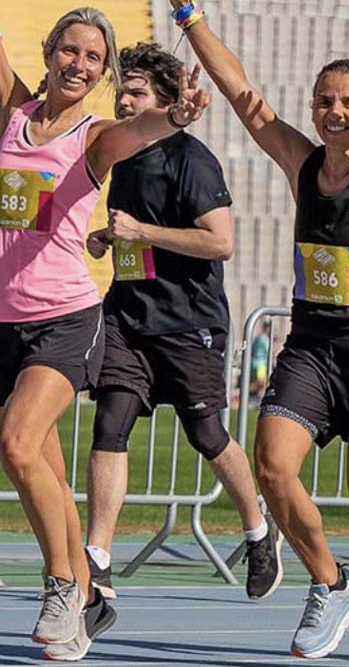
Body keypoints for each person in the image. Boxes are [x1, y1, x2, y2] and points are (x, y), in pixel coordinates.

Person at [0, 0, 209, 661]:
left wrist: (178, 113)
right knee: (37, 469)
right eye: (69, 50)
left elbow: (145, 128)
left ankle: (62, 586)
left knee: (19, 447)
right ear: (50, 53)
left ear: (103, 69)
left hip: (64, 318)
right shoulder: (14, 111)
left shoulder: (94, 138)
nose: (80, 64)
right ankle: (86, 592)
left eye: (95, 56)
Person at [170, 0, 349, 659]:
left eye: (348, 102)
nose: (333, 111)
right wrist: (187, 11)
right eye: (324, 100)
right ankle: (332, 583)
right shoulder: (303, 163)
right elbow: (245, 95)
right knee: (275, 468)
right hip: (314, 345)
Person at [84, 42, 280, 602]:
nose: (124, 101)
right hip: (127, 317)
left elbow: (221, 242)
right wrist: (108, 239)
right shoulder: (121, 157)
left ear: (168, 100)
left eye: (137, 92)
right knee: (110, 425)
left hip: (187, 322)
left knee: (207, 434)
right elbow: (131, 233)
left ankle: (258, 530)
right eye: (121, 91)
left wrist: (142, 233)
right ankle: (96, 555)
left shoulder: (191, 159)